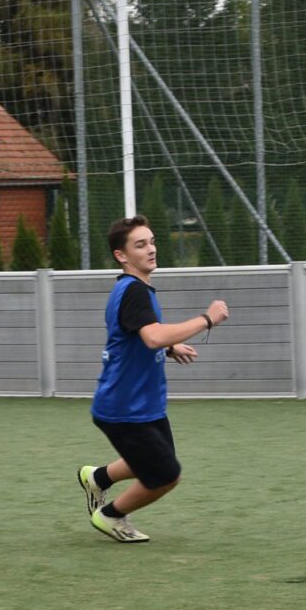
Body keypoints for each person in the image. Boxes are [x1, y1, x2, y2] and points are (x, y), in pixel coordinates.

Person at [76, 215, 226, 543]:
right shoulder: (133, 291)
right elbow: (152, 336)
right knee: (165, 475)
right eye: (140, 245)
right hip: (123, 408)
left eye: (152, 242)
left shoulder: (133, 289)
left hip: (143, 404)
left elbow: (133, 335)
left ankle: (98, 478)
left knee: (154, 460)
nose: (151, 249)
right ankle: (110, 515)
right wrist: (207, 319)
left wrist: (170, 348)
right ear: (121, 255)